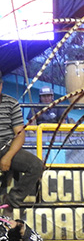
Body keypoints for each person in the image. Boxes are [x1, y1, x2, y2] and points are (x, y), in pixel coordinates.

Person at [0, 71, 45, 214]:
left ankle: (11, 202)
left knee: (36, 165)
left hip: (6, 147)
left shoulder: (11, 103)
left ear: (1, 85)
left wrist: (8, 156)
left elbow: (20, 134)